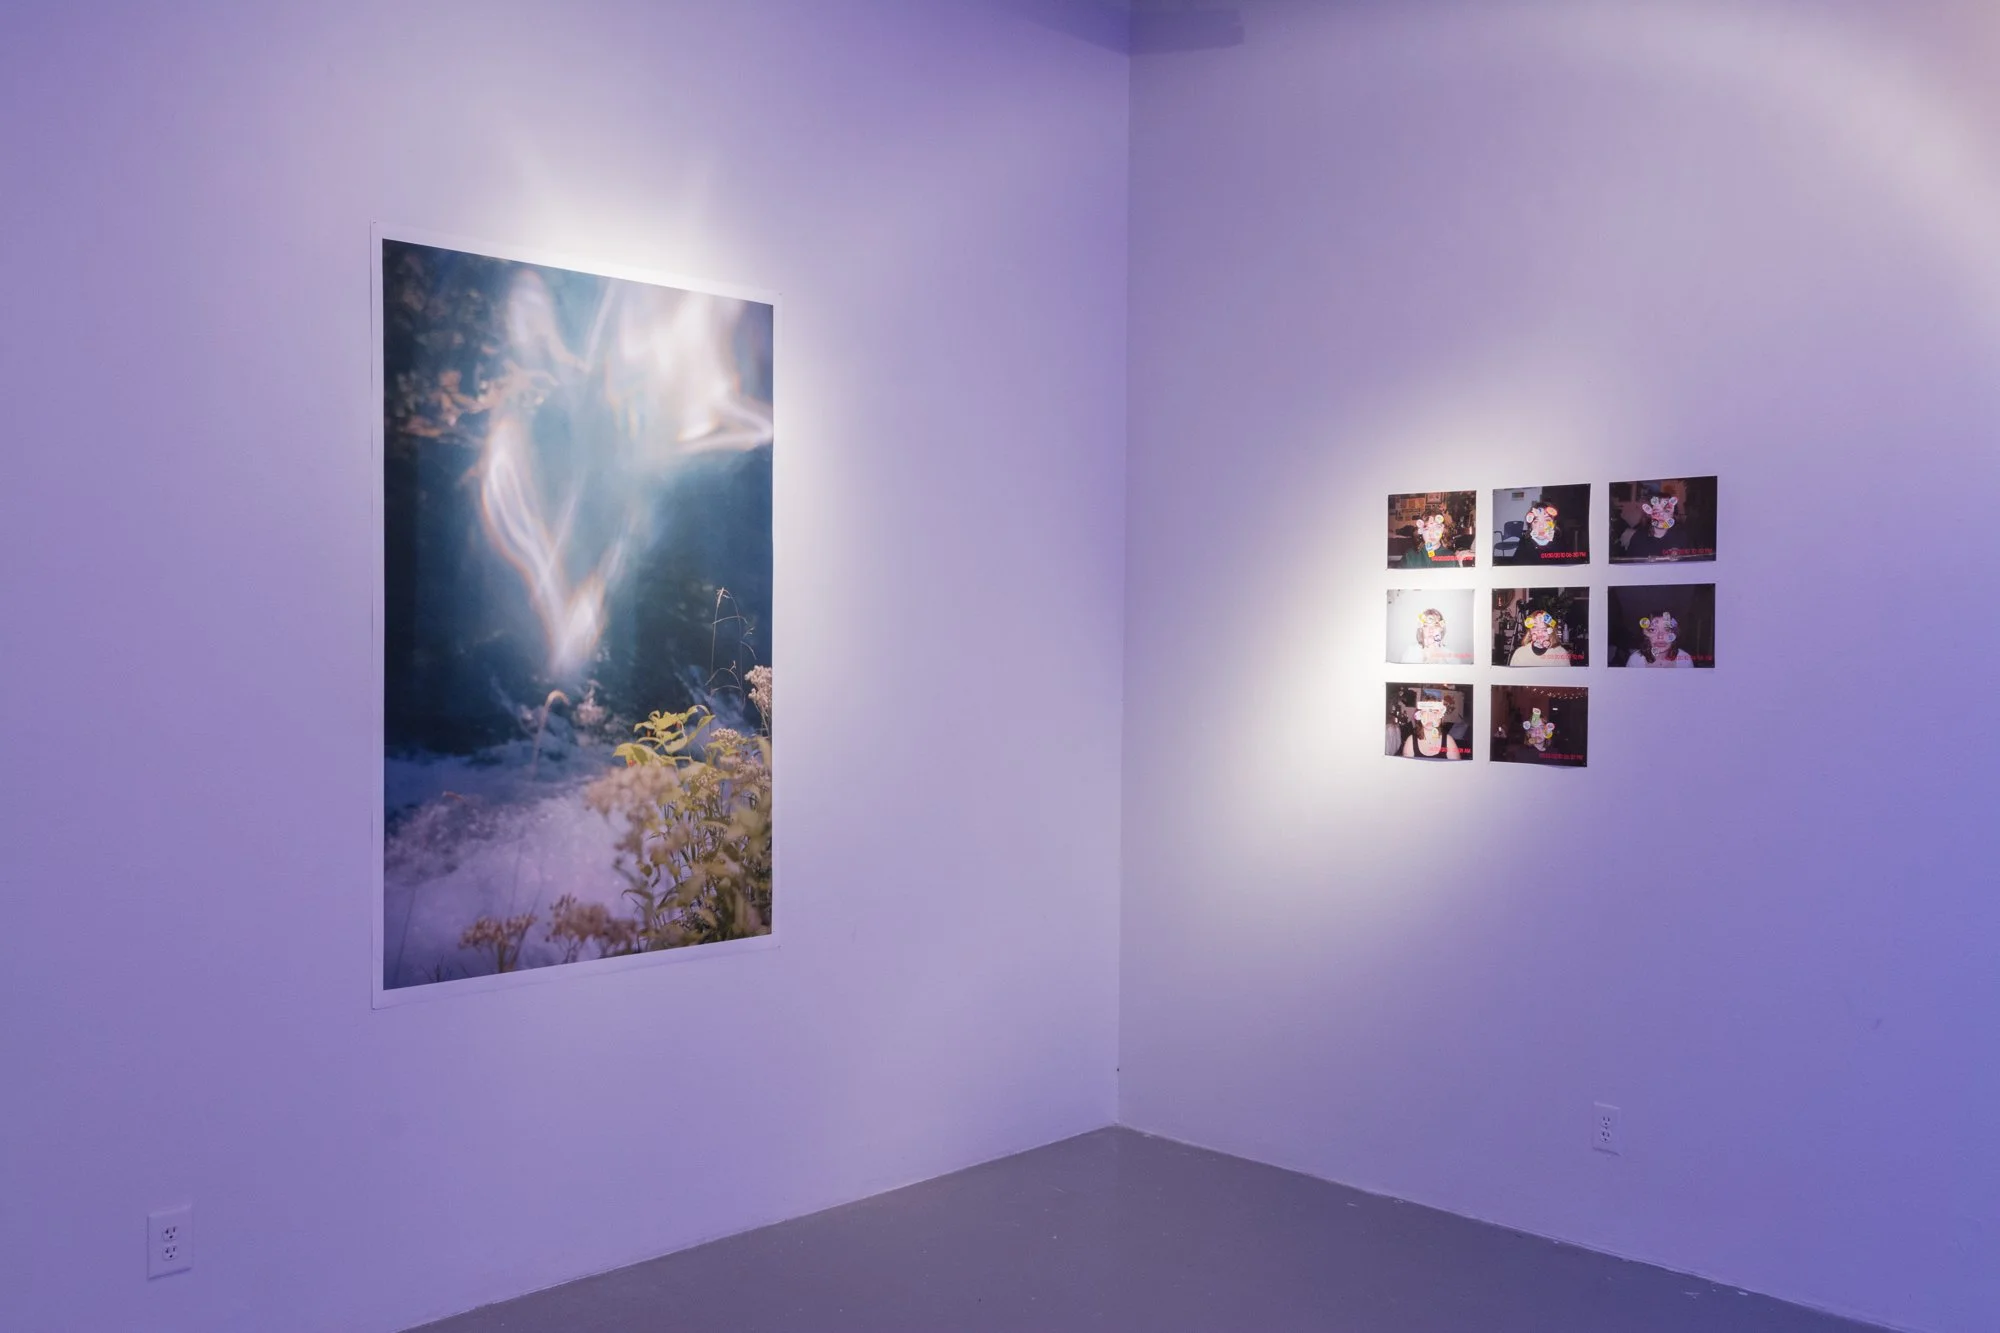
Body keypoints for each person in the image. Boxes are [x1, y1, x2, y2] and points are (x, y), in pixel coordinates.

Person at [1496, 501, 1581, 564]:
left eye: (1547, 520)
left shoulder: (1561, 541)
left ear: (1554, 524)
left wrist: (1550, 544)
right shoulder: (1525, 542)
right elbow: (1517, 568)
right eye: (1536, 521)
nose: (1541, 526)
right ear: (1531, 526)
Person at [1399, 689, 1466, 760]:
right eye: (1425, 712)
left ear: (1441, 717)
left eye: (1434, 712)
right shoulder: (1410, 742)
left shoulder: (1448, 741)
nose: (1429, 716)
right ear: (1419, 716)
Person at [1395, 510, 1471, 568]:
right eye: (1427, 528)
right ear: (1421, 531)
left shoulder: (1450, 558)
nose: (1432, 532)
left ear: (1442, 530)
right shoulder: (1410, 556)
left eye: (1437, 527)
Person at [1622, 609, 1696, 667]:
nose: (1660, 636)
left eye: (1667, 629)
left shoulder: (1685, 660)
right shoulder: (1635, 660)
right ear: (1646, 635)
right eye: (1652, 630)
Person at [1508, 608, 1572, 667]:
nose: (1540, 633)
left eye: (1544, 629)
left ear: (1551, 632)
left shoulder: (1560, 653)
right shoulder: (1520, 654)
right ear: (1530, 631)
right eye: (1535, 628)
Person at [1400, 608, 1465, 664]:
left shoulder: (1451, 657)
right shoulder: (1411, 652)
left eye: (1435, 626)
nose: (1430, 630)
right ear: (1421, 630)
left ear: (1441, 629)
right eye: (1426, 626)